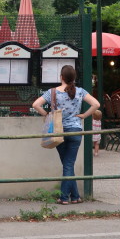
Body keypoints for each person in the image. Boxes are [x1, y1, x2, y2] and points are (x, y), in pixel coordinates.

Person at [32, 65, 100, 205]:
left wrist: (47, 115)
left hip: (59, 131)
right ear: (74, 78)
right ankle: (75, 196)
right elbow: (96, 104)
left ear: (61, 77)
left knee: (67, 164)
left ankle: (63, 198)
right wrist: (83, 116)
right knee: (68, 164)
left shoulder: (52, 92)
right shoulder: (80, 91)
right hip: (75, 130)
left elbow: (35, 104)